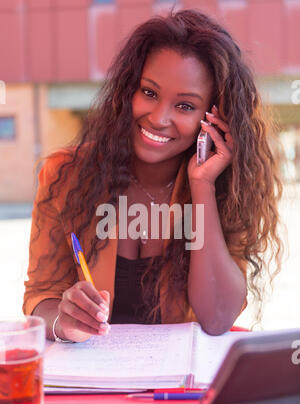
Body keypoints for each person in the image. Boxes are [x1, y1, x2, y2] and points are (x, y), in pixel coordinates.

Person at [23, 9, 283, 342]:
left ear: (215, 118)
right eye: (149, 93)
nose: (159, 118)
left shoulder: (227, 187)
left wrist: (201, 185)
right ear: (126, 90)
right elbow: (41, 295)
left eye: (185, 106)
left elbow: (218, 318)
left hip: (178, 382)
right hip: (92, 377)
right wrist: (63, 318)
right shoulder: (66, 175)